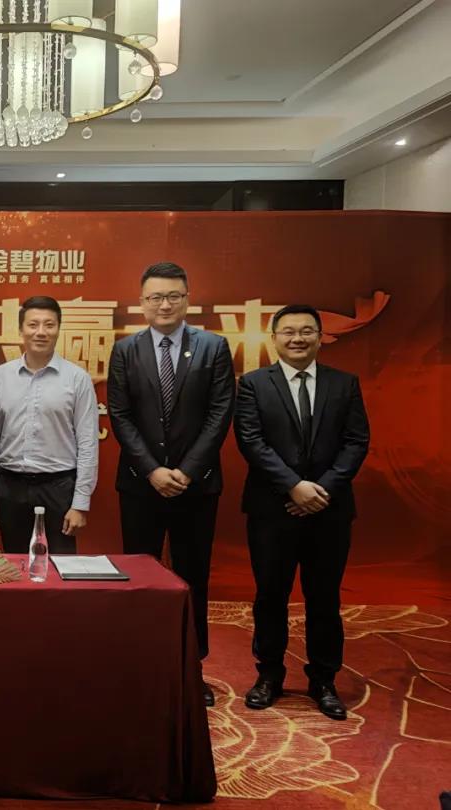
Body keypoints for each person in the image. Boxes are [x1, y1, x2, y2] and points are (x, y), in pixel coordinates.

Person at [107, 261, 235, 707]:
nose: (164, 304)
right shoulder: (125, 350)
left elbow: (220, 412)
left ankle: (191, 668)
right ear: (142, 303)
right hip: (140, 485)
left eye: (173, 296)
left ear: (187, 299)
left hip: (195, 487)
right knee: (139, 578)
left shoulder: (213, 347)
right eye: (156, 297)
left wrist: (188, 469)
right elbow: (120, 414)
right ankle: (140, 663)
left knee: (191, 578)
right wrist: (152, 470)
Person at [235, 304, 370, 720]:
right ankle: (269, 675)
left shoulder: (344, 384)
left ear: (320, 337)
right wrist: (294, 486)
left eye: (307, 331)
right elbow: (251, 441)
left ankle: (324, 680)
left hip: (329, 510)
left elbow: (356, 441)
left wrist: (321, 489)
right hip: (272, 510)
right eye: (289, 331)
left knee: (324, 597)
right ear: (274, 338)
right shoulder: (254, 384)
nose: (298, 338)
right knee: (270, 595)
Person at [0, 296, 98, 555]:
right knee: (15, 565)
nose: (41, 332)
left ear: (58, 329)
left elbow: (88, 443)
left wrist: (80, 503)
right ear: (21, 329)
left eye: (49, 325)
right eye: (33, 324)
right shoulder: (1, 376)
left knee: (59, 565)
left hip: (58, 488)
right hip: (10, 487)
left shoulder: (77, 379)